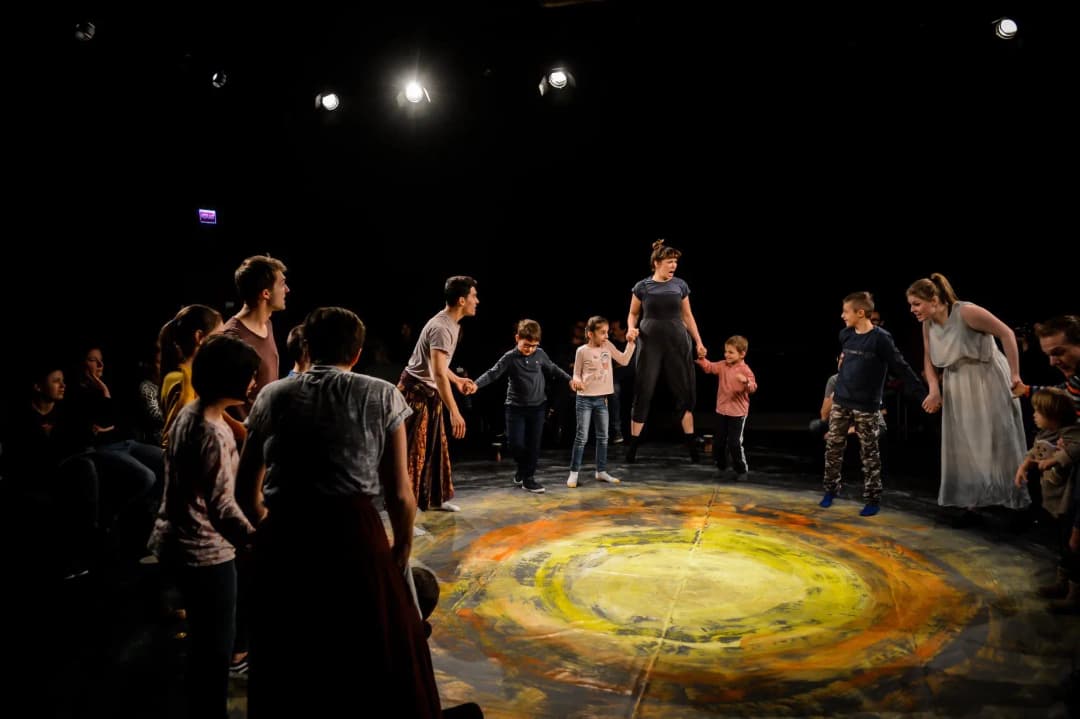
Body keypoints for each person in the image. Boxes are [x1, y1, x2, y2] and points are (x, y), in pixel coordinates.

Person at [237, 306, 443, 718]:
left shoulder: (273, 395)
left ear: (307, 347)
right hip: (354, 534)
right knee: (367, 643)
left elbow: (246, 489)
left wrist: (272, 528)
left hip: (288, 533)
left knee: (290, 646)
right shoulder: (381, 394)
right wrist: (400, 548)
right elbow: (400, 492)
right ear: (358, 351)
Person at [148, 334, 261, 719]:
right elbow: (222, 506)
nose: (253, 384)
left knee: (202, 649)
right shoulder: (212, 432)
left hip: (177, 542)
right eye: (248, 376)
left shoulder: (192, 414)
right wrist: (258, 539)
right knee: (214, 652)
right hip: (204, 553)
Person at [906, 273, 1031, 518]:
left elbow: (1006, 333)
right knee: (965, 442)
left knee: (999, 438)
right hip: (957, 382)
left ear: (934, 299)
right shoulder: (928, 324)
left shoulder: (966, 312)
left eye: (916, 304)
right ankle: (972, 500)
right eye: (911, 305)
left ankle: (1016, 502)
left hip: (987, 377)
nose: (912, 310)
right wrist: (934, 389)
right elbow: (928, 359)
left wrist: (1015, 374)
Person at [821, 292, 926, 516]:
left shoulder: (881, 338)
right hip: (841, 400)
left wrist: (922, 393)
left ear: (860, 313)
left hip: (866, 406)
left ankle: (872, 498)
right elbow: (846, 364)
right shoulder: (845, 335)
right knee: (833, 449)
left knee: (870, 453)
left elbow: (900, 366)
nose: (842, 315)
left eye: (846, 312)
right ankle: (831, 489)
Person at [398, 276, 479, 513]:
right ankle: (405, 511)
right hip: (415, 394)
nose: (477, 300)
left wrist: (457, 381)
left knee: (435, 448)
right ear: (462, 300)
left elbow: (441, 369)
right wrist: (455, 411)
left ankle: (435, 499)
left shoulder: (453, 325)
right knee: (414, 454)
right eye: (474, 296)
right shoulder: (442, 327)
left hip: (429, 391)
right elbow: (438, 374)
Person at [624, 239, 707, 463]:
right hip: (650, 343)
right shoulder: (642, 286)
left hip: (677, 342)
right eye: (670, 262)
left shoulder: (680, 285)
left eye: (675, 263)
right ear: (657, 262)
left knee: (685, 391)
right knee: (644, 389)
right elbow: (633, 314)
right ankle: (632, 447)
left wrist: (698, 341)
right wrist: (631, 329)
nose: (673, 266)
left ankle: (691, 445)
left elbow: (688, 316)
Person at [472, 319, 577, 494]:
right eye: (527, 345)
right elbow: (493, 373)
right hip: (515, 408)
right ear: (517, 338)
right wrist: (476, 385)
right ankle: (522, 469)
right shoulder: (510, 357)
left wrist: (569, 380)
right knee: (516, 445)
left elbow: (553, 368)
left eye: (534, 346)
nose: (530, 349)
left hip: (537, 407)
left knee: (534, 445)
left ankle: (529, 479)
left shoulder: (540, 355)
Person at [1014, 389, 1080, 612]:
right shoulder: (1051, 433)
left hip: (1070, 501)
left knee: (1074, 548)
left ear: (1053, 415)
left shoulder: (1071, 433)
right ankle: (1062, 583)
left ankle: (1074, 595)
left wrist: (1053, 462)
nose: (1034, 415)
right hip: (1056, 499)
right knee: (1063, 546)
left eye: (1038, 412)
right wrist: (1025, 466)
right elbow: (1036, 451)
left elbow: (1075, 448)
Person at [567, 316, 635, 488]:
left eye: (607, 332)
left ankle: (601, 471)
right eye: (602, 333)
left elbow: (624, 360)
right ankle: (574, 473)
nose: (606, 336)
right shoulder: (582, 351)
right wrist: (576, 380)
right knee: (581, 437)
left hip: (602, 400)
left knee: (603, 437)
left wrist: (631, 343)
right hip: (584, 400)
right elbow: (576, 373)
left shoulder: (607, 346)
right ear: (590, 334)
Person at [222, 254, 289, 416]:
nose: (287, 290)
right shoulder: (232, 337)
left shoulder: (268, 324)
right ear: (266, 293)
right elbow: (217, 397)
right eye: (282, 284)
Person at [696, 335, 757, 480]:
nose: (726, 355)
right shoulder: (723, 365)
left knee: (734, 443)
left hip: (738, 413)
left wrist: (746, 381)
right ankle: (721, 467)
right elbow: (710, 367)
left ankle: (741, 470)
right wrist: (702, 359)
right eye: (726, 351)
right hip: (722, 411)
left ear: (742, 354)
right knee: (719, 442)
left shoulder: (745, 370)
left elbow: (753, 388)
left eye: (731, 352)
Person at [1015, 315, 1080, 418]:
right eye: (1048, 355)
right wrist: (1027, 390)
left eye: (1058, 352)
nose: (1052, 363)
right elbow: (1064, 392)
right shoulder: (1076, 380)